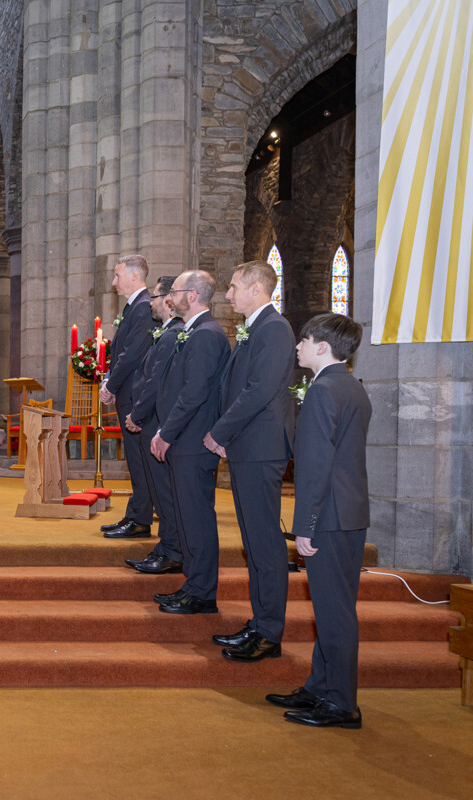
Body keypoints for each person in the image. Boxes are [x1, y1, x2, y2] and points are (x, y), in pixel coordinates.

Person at [267, 313, 371, 729]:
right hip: (348, 511)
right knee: (332, 608)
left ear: (323, 347)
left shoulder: (324, 391)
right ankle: (320, 687)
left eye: (305, 340)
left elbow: (314, 466)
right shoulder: (351, 387)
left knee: (335, 613)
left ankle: (342, 703)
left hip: (328, 515)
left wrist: (305, 524)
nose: (298, 347)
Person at [205, 261, 296, 662]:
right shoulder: (255, 328)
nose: (228, 294)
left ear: (257, 288)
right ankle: (260, 623)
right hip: (248, 447)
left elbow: (259, 391)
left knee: (265, 543)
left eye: (234, 286)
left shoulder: (274, 329)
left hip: (261, 450)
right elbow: (235, 387)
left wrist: (220, 432)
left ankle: (270, 632)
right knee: (254, 542)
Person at [149, 270, 231, 615]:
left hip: (193, 443)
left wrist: (166, 432)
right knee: (187, 517)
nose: (171, 297)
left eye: (177, 292)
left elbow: (195, 392)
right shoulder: (195, 331)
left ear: (192, 296)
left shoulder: (206, 335)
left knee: (196, 519)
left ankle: (202, 592)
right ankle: (193, 585)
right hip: (185, 440)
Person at [123, 276, 184, 574]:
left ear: (169, 300)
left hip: (157, 422)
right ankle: (166, 547)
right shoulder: (167, 332)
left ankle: (171, 550)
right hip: (153, 422)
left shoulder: (173, 335)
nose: (151, 302)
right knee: (162, 494)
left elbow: (155, 382)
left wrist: (137, 414)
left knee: (166, 495)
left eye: (156, 297)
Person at [99, 255, 155, 539]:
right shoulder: (135, 307)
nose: (113, 282)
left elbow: (132, 353)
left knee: (139, 458)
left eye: (118, 275)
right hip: (129, 392)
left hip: (135, 394)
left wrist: (110, 384)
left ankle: (140, 519)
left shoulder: (144, 307)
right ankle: (136, 515)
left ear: (135, 276)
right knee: (135, 459)